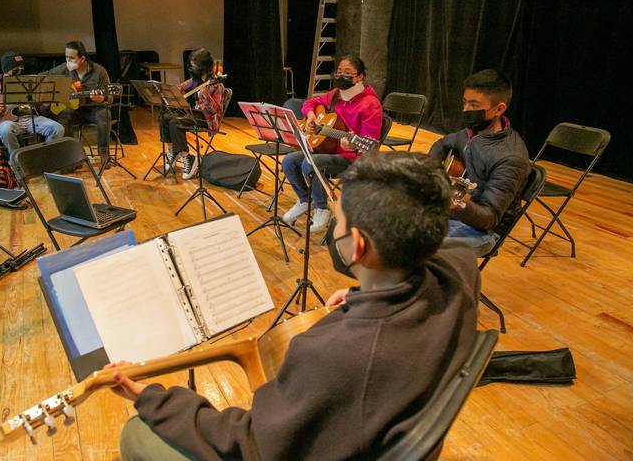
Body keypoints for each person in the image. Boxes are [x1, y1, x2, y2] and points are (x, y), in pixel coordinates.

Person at [107, 151, 479, 460]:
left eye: (338, 221)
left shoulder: (332, 355)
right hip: (384, 416)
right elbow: (444, 251)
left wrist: (154, 397)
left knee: (137, 435)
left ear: (358, 247)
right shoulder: (461, 268)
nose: (334, 228)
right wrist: (359, 294)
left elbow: (250, 445)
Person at [428, 68, 530, 256]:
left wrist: (457, 203)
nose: (466, 110)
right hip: (450, 213)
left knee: (417, 246)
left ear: (499, 109)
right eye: (465, 103)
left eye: (474, 105)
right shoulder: (471, 133)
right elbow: (441, 144)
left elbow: (489, 217)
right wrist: (432, 172)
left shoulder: (511, 158)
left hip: (482, 231)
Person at [281, 54, 383, 233]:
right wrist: (310, 114)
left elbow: (371, 143)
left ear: (360, 76)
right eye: (339, 72)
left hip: (351, 159)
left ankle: (322, 209)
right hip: (329, 149)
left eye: (348, 73)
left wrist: (352, 146)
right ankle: (305, 200)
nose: (342, 76)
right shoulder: (336, 95)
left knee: (310, 163)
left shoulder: (370, 104)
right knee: (289, 161)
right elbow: (310, 103)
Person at [0, 51, 65, 157]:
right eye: (15, 70)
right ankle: (17, 160)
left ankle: (46, 158)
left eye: (21, 69)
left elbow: (40, 110)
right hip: (8, 121)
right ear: (6, 70)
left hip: (29, 118)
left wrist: (46, 104)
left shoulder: (29, 82)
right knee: (6, 129)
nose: (19, 72)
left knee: (57, 128)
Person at [41, 41, 116, 163]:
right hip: (75, 110)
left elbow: (110, 97)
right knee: (63, 117)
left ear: (82, 59)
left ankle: (104, 153)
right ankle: (75, 154)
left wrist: (102, 98)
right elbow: (42, 77)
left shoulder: (99, 71)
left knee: (104, 114)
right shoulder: (63, 69)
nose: (68, 61)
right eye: (66, 57)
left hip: (94, 109)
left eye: (71, 58)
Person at [160, 48, 225, 180]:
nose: (192, 67)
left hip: (206, 119)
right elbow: (178, 88)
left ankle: (187, 158)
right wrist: (172, 93)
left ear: (203, 66)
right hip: (193, 113)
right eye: (191, 64)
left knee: (176, 122)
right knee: (164, 116)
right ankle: (172, 150)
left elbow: (215, 109)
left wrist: (206, 96)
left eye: (194, 64)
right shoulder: (194, 80)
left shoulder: (216, 85)